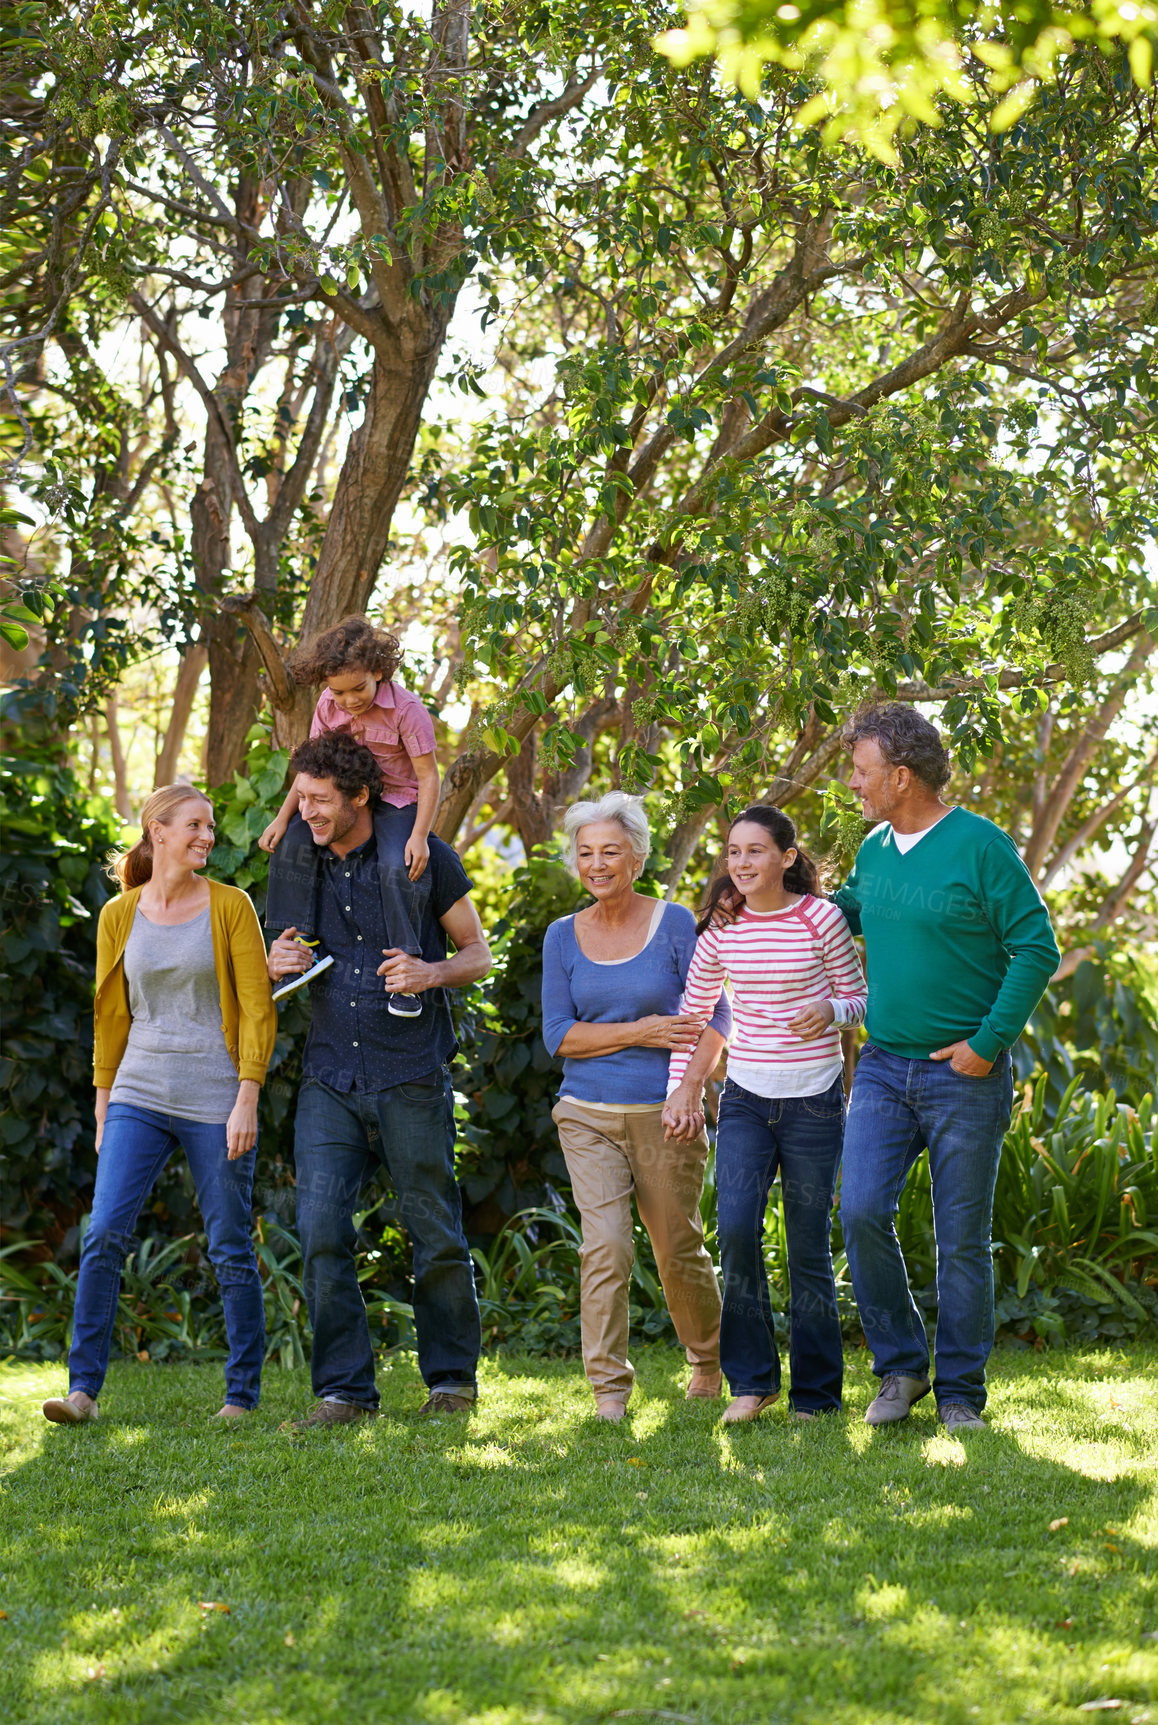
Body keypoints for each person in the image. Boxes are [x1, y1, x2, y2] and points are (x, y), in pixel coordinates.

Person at [833, 703, 1060, 1432]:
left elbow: (1036, 948)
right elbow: (845, 914)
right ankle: (902, 1368)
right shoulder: (874, 848)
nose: (853, 783)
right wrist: (766, 896)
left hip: (965, 1073)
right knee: (861, 1208)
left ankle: (960, 1389)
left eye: (862, 771)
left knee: (961, 1238)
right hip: (882, 1067)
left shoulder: (980, 846)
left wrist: (988, 1041)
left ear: (901, 775)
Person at [266, 732, 491, 1425]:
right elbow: (281, 955)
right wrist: (276, 957)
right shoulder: (300, 861)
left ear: (360, 796)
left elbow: (477, 954)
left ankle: (451, 1381)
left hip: (409, 1074)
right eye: (302, 797)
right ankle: (345, 1392)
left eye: (321, 800)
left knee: (434, 1228)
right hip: (331, 1074)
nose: (307, 811)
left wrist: (430, 971)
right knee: (321, 1226)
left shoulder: (422, 857)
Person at [42, 786, 277, 1428]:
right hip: (137, 1095)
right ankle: (82, 1391)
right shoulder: (119, 914)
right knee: (102, 1236)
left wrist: (247, 1095)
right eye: (195, 825)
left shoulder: (232, 907)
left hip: (215, 1097)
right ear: (159, 831)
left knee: (229, 1246)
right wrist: (102, 1100)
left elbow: (258, 1007)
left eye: (210, 825)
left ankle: (240, 1395)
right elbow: (110, 1014)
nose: (208, 835)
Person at [668, 805, 867, 1424]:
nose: (742, 863)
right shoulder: (722, 930)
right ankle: (751, 1384)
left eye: (755, 851)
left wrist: (832, 1013)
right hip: (747, 1100)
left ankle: (816, 1394)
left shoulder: (821, 919)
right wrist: (682, 1091)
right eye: (733, 852)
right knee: (737, 1234)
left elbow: (859, 998)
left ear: (786, 857)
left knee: (808, 1246)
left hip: (814, 1101)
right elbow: (693, 1014)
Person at [541, 792, 731, 1422]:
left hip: (665, 1112)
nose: (596, 864)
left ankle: (706, 1362)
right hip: (586, 1112)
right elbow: (558, 1036)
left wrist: (688, 1089)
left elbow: (716, 1013)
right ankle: (608, 1392)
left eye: (610, 851)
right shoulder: (561, 937)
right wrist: (643, 1030)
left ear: (638, 856)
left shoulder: (675, 923)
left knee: (677, 1245)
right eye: (585, 852)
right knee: (606, 1247)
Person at [259, 614, 441, 1016]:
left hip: (394, 800)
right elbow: (311, 768)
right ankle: (301, 943)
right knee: (291, 843)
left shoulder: (406, 710)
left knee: (395, 865)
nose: (349, 700)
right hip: (345, 798)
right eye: (338, 692)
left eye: (358, 688)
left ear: (378, 670)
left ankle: (403, 971)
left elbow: (429, 777)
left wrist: (419, 835)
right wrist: (281, 818)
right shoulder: (328, 705)